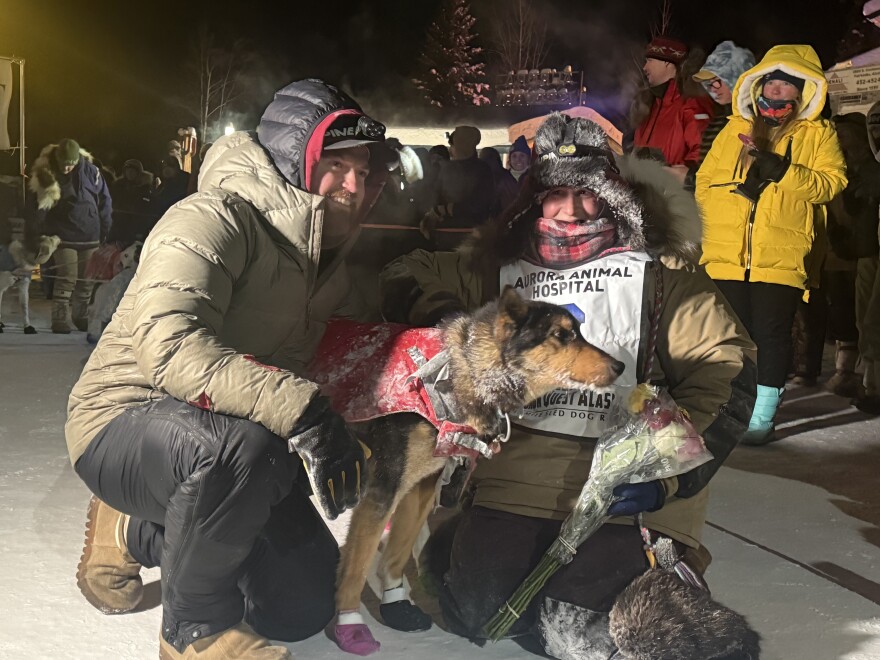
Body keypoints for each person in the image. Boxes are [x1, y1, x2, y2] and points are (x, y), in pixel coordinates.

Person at [380, 114, 757, 659]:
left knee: (594, 631)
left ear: (613, 197)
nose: (571, 211)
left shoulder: (660, 275)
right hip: (516, 481)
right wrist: (452, 323)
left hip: (625, 494)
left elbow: (728, 369)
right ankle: (469, 553)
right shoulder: (499, 272)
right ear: (534, 200)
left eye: (588, 195)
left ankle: (672, 603)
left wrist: (668, 470)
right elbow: (405, 271)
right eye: (556, 195)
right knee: (477, 610)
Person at [66, 79, 391, 659]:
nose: (353, 185)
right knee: (240, 447)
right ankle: (194, 630)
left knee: (300, 606)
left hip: (235, 440)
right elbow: (167, 345)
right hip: (123, 420)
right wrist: (304, 410)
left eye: (363, 172)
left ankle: (137, 531)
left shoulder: (329, 267)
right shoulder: (214, 216)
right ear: (297, 158)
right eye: (337, 166)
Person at [696, 45, 848, 445]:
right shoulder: (733, 130)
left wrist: (783, 171)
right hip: (726, 254)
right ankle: (736, 406)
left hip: (781, 254)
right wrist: (726, 202)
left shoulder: (817, 134)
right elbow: (704, 182)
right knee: (734, 337)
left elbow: (830, 185)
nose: (777, 91)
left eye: (787, 85)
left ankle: (761, 416)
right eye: (772, 82)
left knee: (771, 334)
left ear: (803, 94)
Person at [27, 138, 113, 333]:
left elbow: (104, 200)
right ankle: (59, 318)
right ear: (58, 160)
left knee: (87, 278)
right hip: (62, 234)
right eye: (64, 164)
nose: (67, 168)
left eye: (71, 164)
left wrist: (106, 227)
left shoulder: (92, 172)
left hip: (90, 233)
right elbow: (39, 207)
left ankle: (80, 315)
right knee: (67, 277)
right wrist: (36, 233)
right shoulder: (46, 175)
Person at [628, 36, 714, 181]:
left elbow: (704, 153)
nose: (645, 67)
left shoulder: (691, 104)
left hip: (673, 198)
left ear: (667, 63)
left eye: (650, 61)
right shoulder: (649, 105)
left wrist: (683, 176)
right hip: (644, 195)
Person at [688, 40, 756, 189]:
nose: (713, 89)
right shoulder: (718, 120)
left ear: (738, 77)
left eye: (717, 81)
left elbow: (738, 177)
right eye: (709, 84)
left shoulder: (754, 122)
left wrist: (688, 178)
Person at [421, 125, 495, 249]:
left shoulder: (481, 170)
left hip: (472, 235)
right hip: (447, 235)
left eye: (453, 144)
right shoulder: (447, 168)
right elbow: (436, 196)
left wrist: (444, 210)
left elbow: (480, 204)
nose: (451, 150)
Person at [479, 146, 518, 215]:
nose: (487, 162)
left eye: (490, 158)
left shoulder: (505, 179)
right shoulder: (483, 180)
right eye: (483, 159)